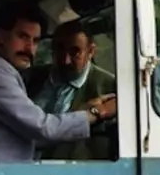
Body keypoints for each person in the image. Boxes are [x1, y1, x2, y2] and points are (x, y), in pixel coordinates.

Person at [0, 2, 116, 163]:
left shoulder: (111, 86)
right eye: (23, 37)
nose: (29, 48)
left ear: (91, 52)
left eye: (36, 40)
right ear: (1, 36)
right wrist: (94, 113)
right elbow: (41, 128)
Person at [26, 19, 118, 161]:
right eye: (59, 49)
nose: (65, 60)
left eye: (75, 52)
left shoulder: (109, 88)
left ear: (91, 51)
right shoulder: (30, 78)